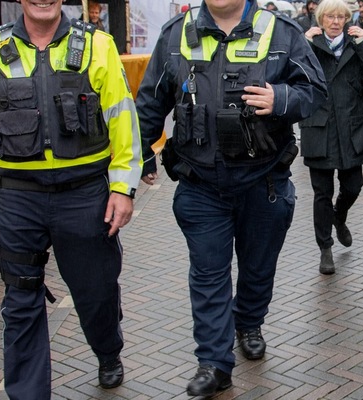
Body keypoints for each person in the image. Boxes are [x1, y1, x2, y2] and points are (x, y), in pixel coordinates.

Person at [135, 0, 327, 396]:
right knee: (208, 274)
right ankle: (214, 363)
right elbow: (150, 100)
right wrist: (142, 155)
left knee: (258, 268)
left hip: (264, 182)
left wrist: (280, 98)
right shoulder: (175, 33)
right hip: (200, 183)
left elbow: (315, 91)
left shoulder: (282, 31)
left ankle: (249, 322)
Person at [0, 0, 142, 397]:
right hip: (18, 197)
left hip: (85, 194)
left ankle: (108, 350)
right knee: (20, 298)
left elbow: (123, 118)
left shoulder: (98, 45)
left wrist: (123, 188)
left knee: (96, 291)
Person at [300, 0, 363, 275]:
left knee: (353, 186)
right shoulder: (310, 44)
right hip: (320, 128)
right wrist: (304, 44)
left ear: (347, 19)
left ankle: (339, 216)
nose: (336, 22)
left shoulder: (355, 43)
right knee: (321, 194)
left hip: (352, 129)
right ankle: (325, 248)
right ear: (320, 19)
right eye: (330, 17)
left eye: (341, 17)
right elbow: (293, 74)